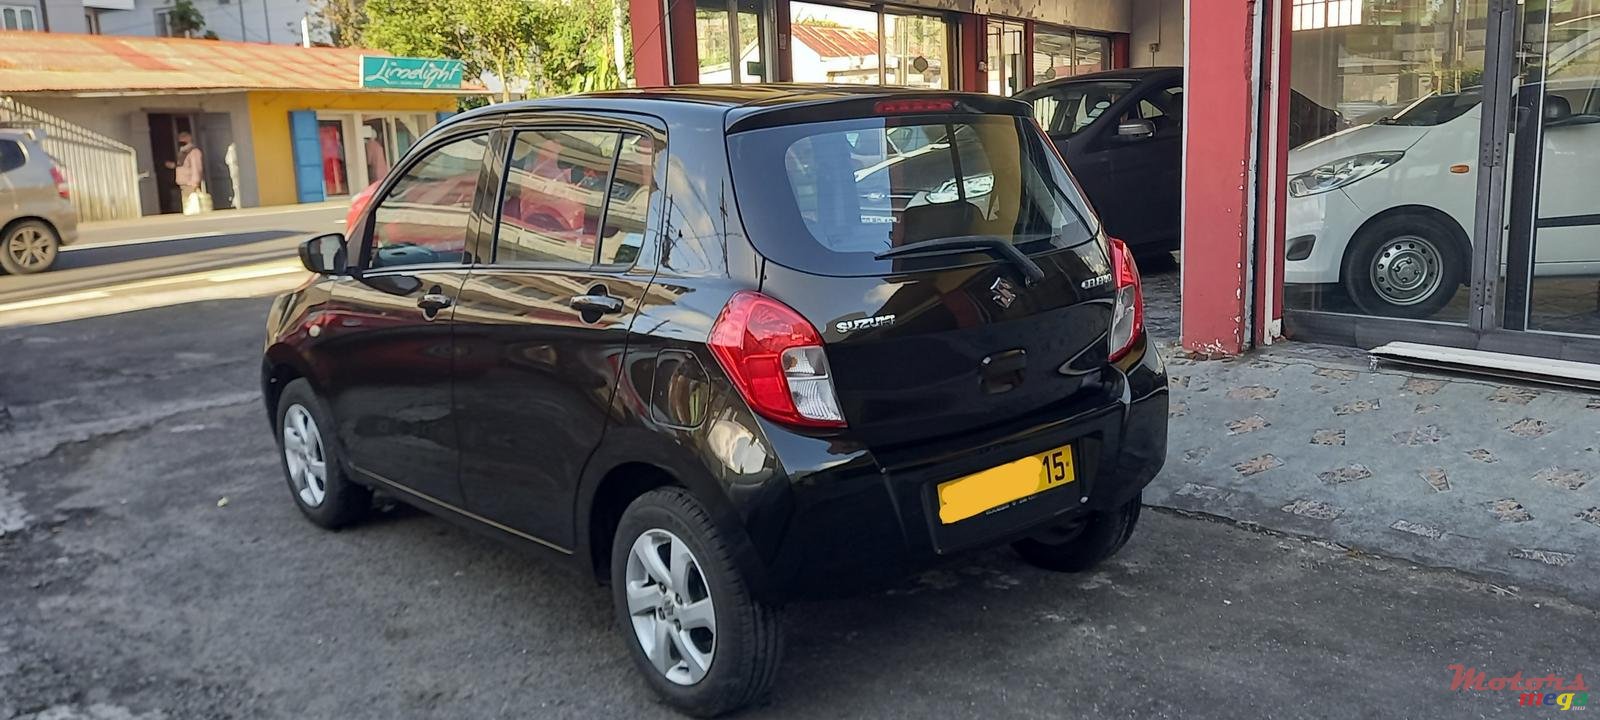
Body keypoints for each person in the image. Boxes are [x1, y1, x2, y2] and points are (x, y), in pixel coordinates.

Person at [164, 131, 204, 209]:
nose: (180, 140)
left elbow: (196, 167)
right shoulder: (183, 152)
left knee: (192, 204)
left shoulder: (193, 151)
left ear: (189, 138)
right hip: (183, 182)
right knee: (187, 204)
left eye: (183, 137)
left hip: (189, 182)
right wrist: (172, 165)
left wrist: (194, 182)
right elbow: (182, 165)